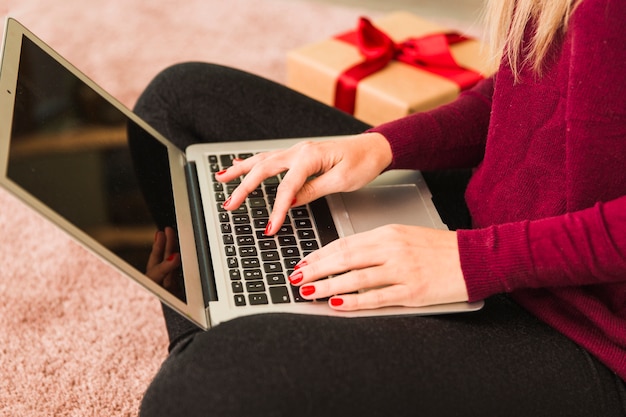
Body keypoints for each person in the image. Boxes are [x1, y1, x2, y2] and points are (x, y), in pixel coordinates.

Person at [137, 0, 626, 415]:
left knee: (195, 386)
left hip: (578, 326)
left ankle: (204, 331)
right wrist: (379, 148)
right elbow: (520, 92)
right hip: (484, 214)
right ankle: (213, 307)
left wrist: (467, 261)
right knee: (175, 102)